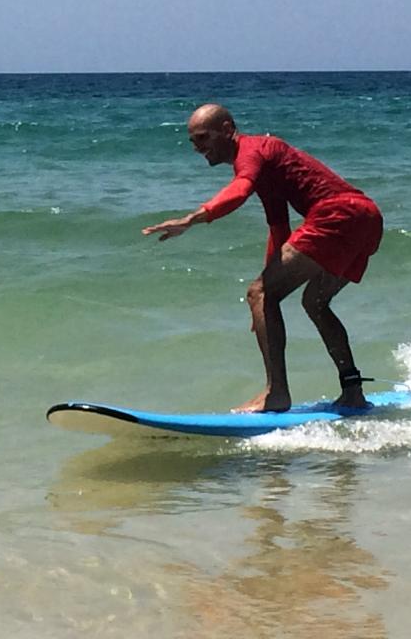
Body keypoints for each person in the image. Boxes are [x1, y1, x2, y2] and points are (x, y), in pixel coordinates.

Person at [142, 104, 383, 413]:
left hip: (337, 214)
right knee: (314, 303)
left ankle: (276, 393)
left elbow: (239, 191)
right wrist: (268, 299)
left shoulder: (251, 152)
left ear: (228, 129)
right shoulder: (266, 161)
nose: (198, 148)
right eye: (192, 142)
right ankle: (353, 390)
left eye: (203, 138)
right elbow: (279, 228)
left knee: (261, 293)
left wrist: (192, 219)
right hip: (366, 217)